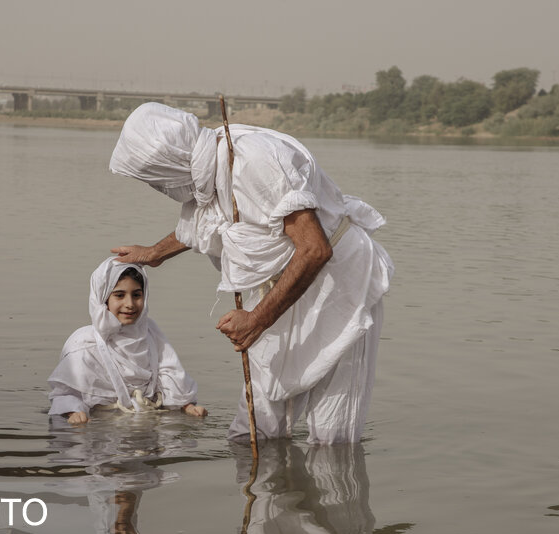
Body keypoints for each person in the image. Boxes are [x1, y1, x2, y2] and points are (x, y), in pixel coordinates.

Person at [108, 103, 393, 444]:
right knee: (254, 431)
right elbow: (214, 219)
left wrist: (257, 319)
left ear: (169, 163)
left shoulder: (256, 161)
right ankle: (258, 491)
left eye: (154, 177)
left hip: (337, 286)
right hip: (281, 291)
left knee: (332, 435)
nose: (158, 187)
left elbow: (315, 249)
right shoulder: (209, 167)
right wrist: (154, 254)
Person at [47, 256, 207, 424]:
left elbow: (169, 374)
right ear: (103, 298)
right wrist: (73, 412)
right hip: (103, 429)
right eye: (119, 295)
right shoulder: (84, 344)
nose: (130, 304)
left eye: (136, 295)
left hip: (146, 425)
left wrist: (187, 406)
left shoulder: (151, 334)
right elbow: (66, 394)